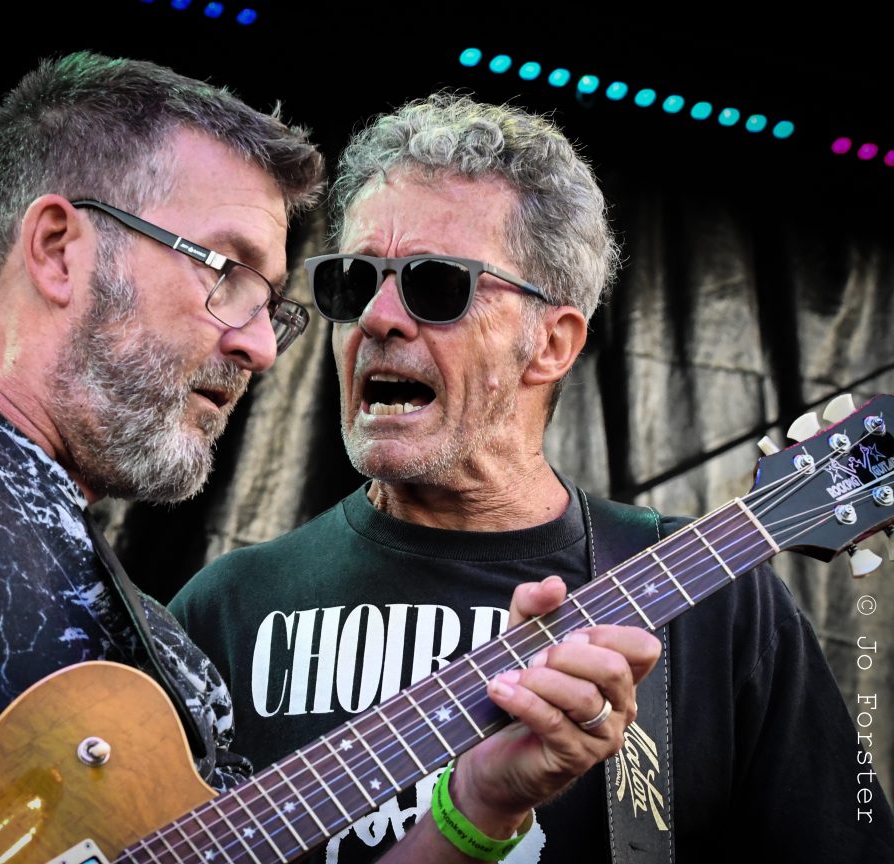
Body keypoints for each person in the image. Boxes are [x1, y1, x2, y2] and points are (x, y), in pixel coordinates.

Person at [0, 57, 656, 864]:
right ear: (59, 249)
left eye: (270, 303)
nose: (261, 347)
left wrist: (478, 808)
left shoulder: (167, 663)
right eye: (226, 272)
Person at [171, 93, 894, 863]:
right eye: (353, 281)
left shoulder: (718, 605)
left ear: (551, 344)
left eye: (435, 285)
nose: (377, 318)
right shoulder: (226, 609)